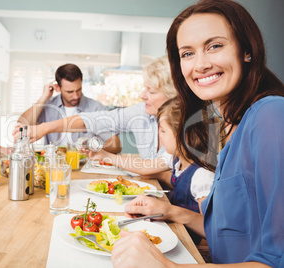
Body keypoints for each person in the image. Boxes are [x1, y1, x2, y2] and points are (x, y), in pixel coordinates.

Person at [111, 0, 284, 267]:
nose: (200, 64)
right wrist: (171, 212)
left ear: (247, 50)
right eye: (187, 53)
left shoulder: (271, 116)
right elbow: (232, 235)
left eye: (215, 46)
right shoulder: (226, 128)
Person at [15, 57, 177, 173]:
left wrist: (105, 154)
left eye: (151, 91)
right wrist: (44, 125)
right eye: (144, 88)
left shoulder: (185, 128)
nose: (142, 95)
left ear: (173, 95)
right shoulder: (141, 111)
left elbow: (151, 166)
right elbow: (93, 120)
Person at [16, 63, 121, 153]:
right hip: (52, 166)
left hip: (85, 167)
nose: (76, 96)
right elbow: (23, 124)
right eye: (69, 92)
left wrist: (92, 150)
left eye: (78, 90)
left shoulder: (95, 108)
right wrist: (44, 98)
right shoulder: (48, 106)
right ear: (58, 87)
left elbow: (116, 145)